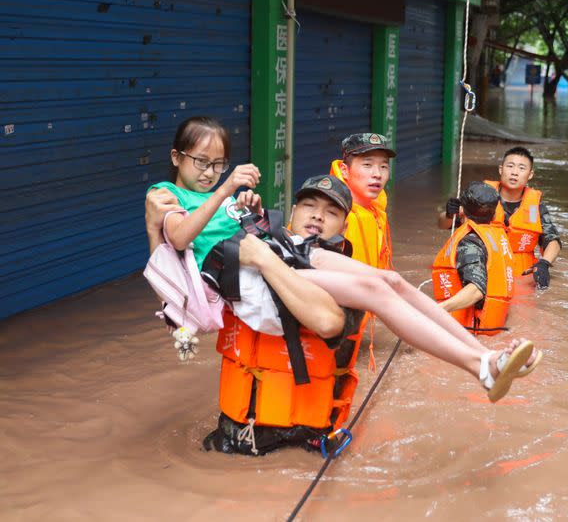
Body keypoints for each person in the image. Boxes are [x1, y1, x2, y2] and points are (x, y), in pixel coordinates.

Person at [145, 117, 543, 454]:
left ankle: (487, 359)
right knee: (374, 294)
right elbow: (180, 239)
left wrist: (247, 208)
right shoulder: (165, 195)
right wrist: (226, 189)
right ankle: (479, 368)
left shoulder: (359, 212)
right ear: (176, 158)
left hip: (272, 249)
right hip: (241, 271)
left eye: (218, 164)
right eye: (201, 161)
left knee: (389, 280)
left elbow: (245, 229)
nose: (209, 172)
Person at [438, 146, 562, 288]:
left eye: (521, 168)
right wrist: (449, 214)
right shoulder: (480, 197)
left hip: (520, 276)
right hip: (482, 269)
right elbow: (444, 224)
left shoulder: (535, 207)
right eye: (510, 166)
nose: (515, 173)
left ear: (530, 174)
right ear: (501, 169)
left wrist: (544, 263)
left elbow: (552, 240)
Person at [433, 182, 515, 336]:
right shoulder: (496, 235)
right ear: (494, 213)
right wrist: (449, 214)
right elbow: (441, 223)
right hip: (491, 329)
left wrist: (436, 310)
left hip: (468, 333)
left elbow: (476, 290)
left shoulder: (470, 243)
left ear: (462, 210)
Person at [329, 133, 394, 269]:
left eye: (384, 166)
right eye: (367, 165)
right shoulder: (329, 214)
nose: (377, 174)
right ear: (344, 170)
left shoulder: (376, 211)